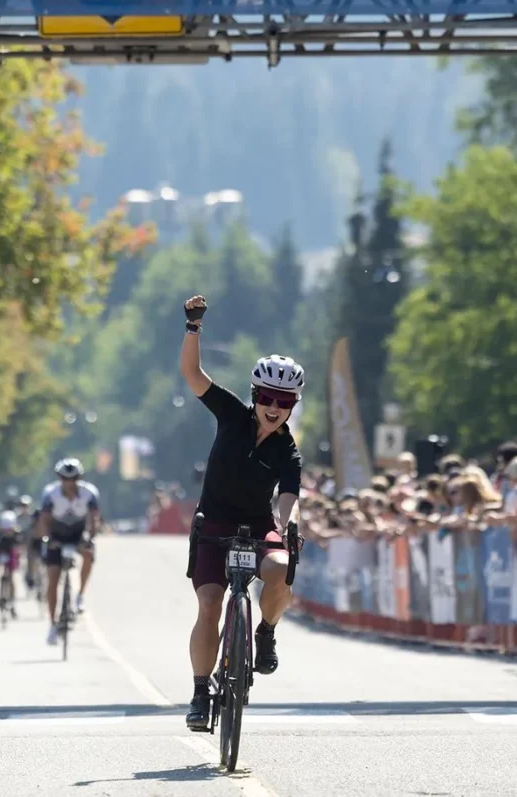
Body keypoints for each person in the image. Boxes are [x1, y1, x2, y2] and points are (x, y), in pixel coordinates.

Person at [178, 294, 302, 732]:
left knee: (282, 570)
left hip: (258, 526)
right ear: (255, 395)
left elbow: (289, 492)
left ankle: (265, 630)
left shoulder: (288, 449)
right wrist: (194, 327)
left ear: (292, 405)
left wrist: (284, 526)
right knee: (210, 603)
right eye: (268, 397)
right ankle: (198, 691)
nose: (275, 407)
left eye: (285, 401)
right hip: (214, 524)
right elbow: (193, 375)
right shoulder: (231, 414)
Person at [36, 457, 100, 645]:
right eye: (65, 479)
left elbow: (94, 519)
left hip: (78, 534)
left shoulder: (89, 493)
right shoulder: (50, 494)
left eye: (73, 479)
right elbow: (44, 520)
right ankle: (52, 625)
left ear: (79, 478)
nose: (70, 483)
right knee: (53, 578)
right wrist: (47, 539)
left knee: (89, 553)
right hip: (57, 535)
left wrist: (91, 536)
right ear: (59, 479)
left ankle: (80, 595)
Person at [0, 509, 22, 610]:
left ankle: (12, 600)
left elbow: (19, 548)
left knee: (11, 577)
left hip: (10, 553)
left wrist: (18, 558)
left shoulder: (17, 534)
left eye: (9, 529)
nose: (7, 531)